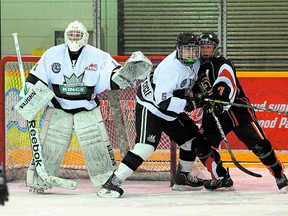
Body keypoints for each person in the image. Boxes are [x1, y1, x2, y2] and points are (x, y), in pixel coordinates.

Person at [23, 20, 152, 192]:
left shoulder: (98, 55)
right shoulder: (52, 54)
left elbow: (113, 76)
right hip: (58, 109)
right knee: (49, 147)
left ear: (85, 37)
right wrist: (27, 98)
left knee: (97, 148)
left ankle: (107, 182)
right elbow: (36, 79)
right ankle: (39, 182)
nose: (74, 38)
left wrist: (126, 74)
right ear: (65, 36)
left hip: (87, 108)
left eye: (78, 35)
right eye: (71, 34)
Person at [97, 32, 205, 198]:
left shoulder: (196, 62)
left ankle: (182, 177)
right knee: (145, 148)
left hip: (170, 111)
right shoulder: (169, 69)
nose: (191, 54)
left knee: (191, 139)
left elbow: (191, 83)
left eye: (194, 50)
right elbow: (162, 102)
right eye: (186, 50)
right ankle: (113, 183)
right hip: (151, 108)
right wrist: (190, 103)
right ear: (178, 49)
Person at [191, 31, 288, 192]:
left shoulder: (223, 63)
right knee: (200, 145)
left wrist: (220, 101)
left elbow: (226, 84)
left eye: (208, 47)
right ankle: (221, 177)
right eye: (202, 48)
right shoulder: (196, 67)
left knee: (260, 146)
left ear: (215, 48)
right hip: (214, 114)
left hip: (236, 111)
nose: (205, 50)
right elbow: (196, 90)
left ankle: (279, 175)